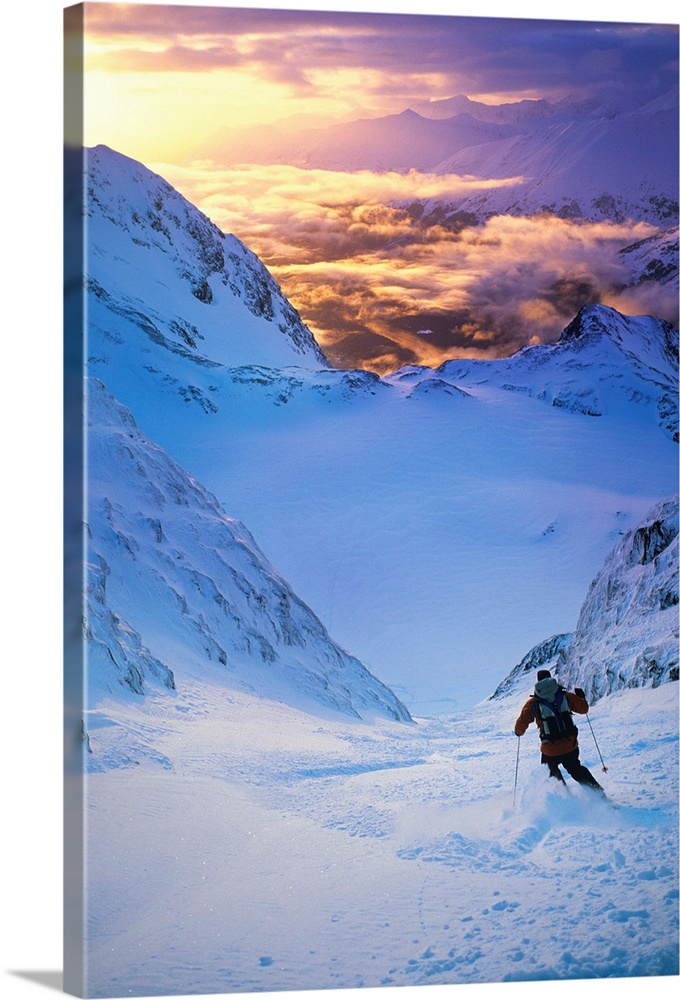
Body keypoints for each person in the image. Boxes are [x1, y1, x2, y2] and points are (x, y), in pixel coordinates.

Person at [514, 669, 606, 794]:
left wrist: (518, 732)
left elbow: (522, 722)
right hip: (570, 745)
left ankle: (563, 799)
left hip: (549, 749)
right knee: (576, 770)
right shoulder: (565, 695)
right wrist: (581, 697)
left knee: (550, 773)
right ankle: (598, 794)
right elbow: (584, 709)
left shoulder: (533, 703)